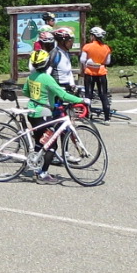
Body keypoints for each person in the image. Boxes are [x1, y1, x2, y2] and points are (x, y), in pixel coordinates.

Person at [24, 49, 88, 183]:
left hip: (32, 112)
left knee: (39, 142)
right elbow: (63, 95)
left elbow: (25, 91)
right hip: (44, 114)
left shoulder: (32, 76)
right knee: (51, 146)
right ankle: (43, 174)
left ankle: (36, 167)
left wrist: (38, 96)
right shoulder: (47, 78)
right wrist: (81, 100)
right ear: (46, 63)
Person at [79, 26, 113, 120]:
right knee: (103, 95)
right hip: (101, 73)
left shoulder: (87, 46)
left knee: (88, 94)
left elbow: (82, 60)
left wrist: (89, 62)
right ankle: (106, 118)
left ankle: (87, 115)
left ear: (93, 36)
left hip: (89, 72)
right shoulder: (106, 48)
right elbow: (107, 62)